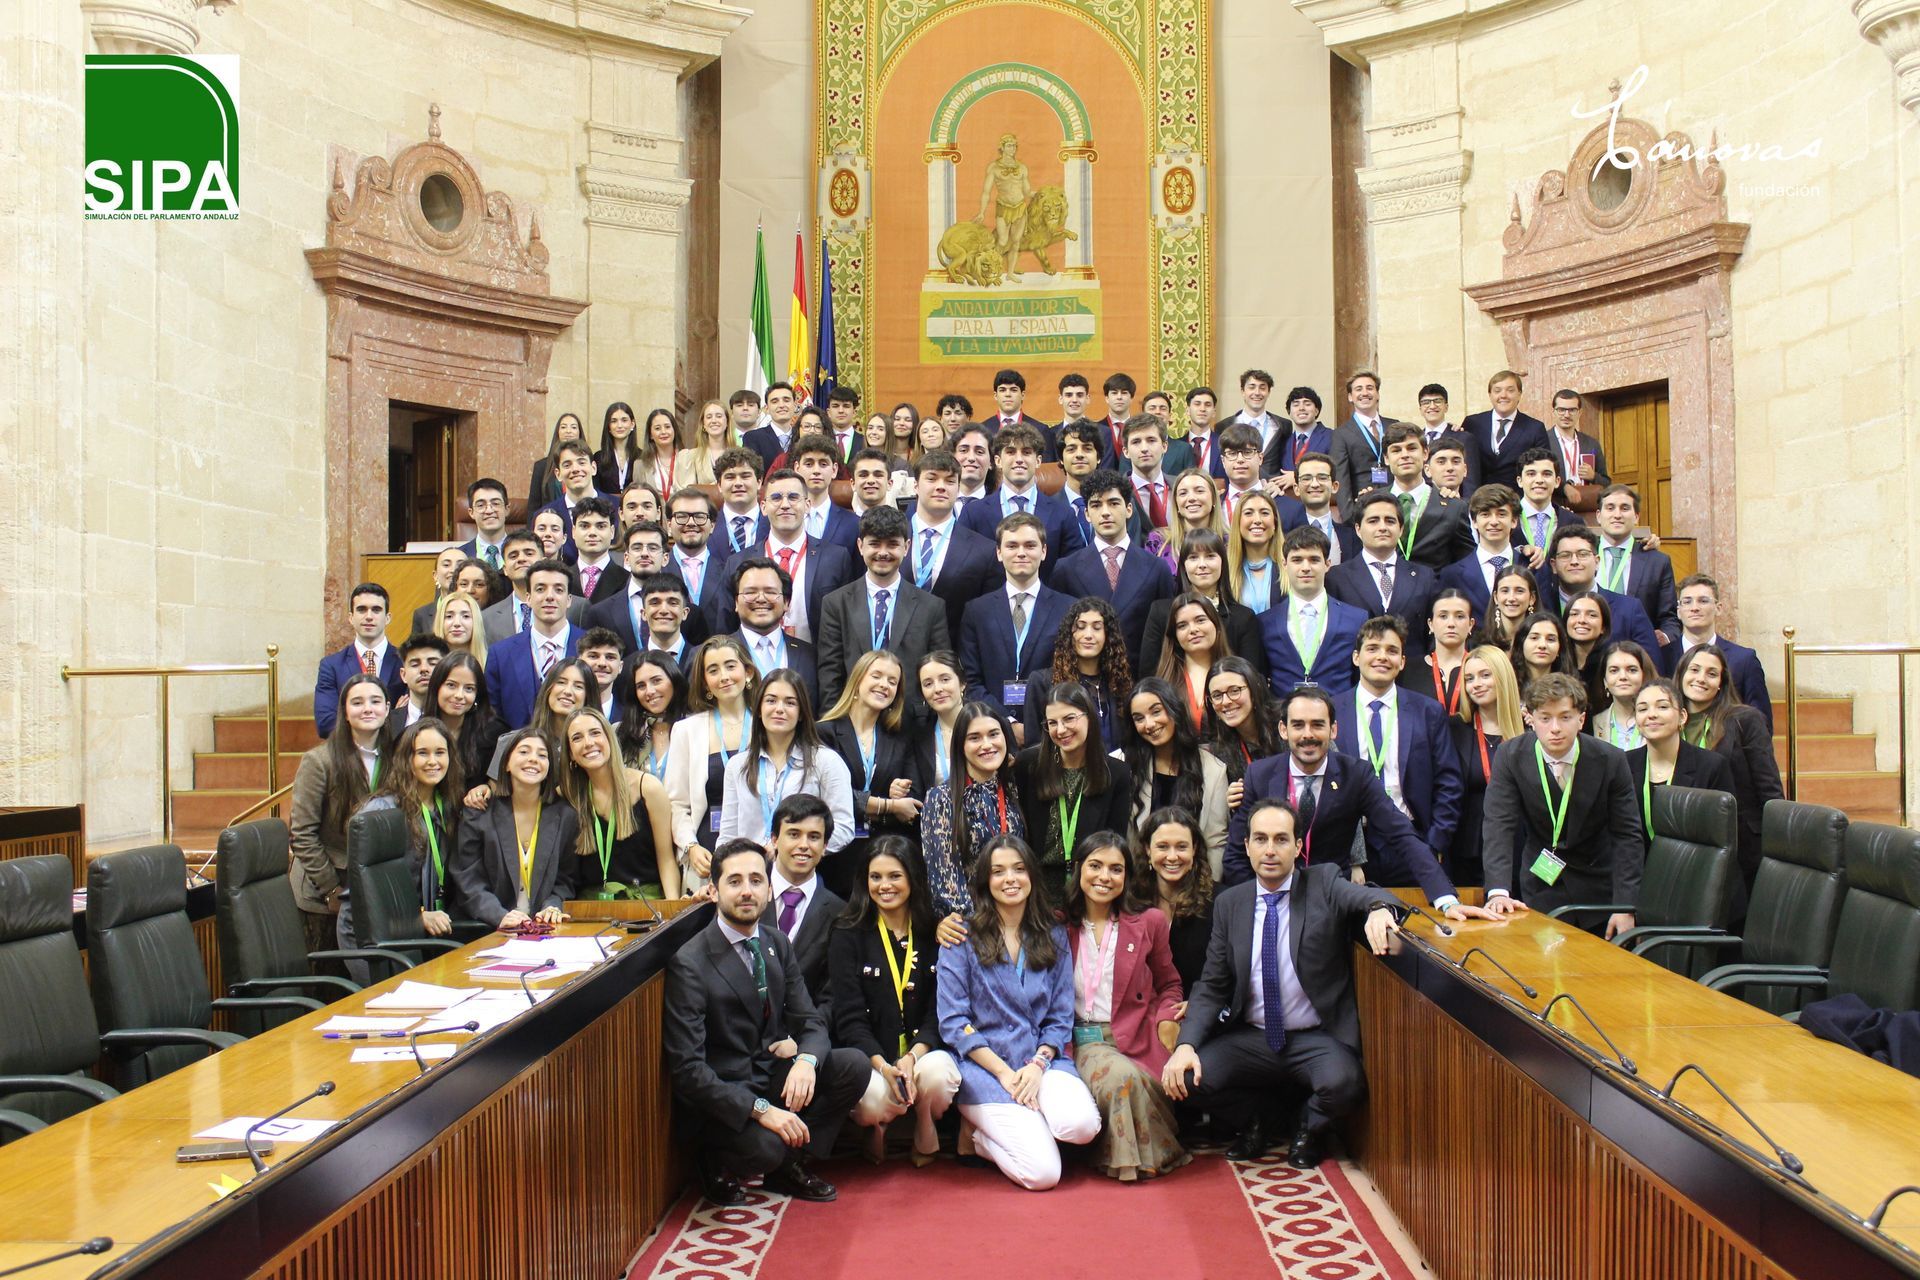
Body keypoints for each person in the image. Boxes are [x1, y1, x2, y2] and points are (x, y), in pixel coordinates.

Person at [1162, 797, 1405, 1167]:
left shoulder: (1323, 883)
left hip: (1314, 1037)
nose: (1270, 850)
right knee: (1186, 1078)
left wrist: (1379, 909)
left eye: (1280, 839)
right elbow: (1212, 985)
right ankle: (1258, 1119)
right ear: (1247, 846)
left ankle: (1307, 1126)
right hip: (1252, 1037)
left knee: (1345, 1084)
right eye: (1260, 839)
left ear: (1298, 846)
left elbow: (1374, 895)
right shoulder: (1231, 903)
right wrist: (1186, 1045)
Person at [662, 839, 870, 1206]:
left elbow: (810, 1021)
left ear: (769, 889)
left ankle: (790, 1164)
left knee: (853, 1065)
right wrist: (761, 1110)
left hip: (768, 1071)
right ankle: (714, 1158)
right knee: (767, 1148)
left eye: (756, 880)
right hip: (724, 1096)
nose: (747, 891)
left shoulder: (776, 942)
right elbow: (689, 1071)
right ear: (714, 890)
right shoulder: (690, 963)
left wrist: (806, 1061)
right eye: (735, 881)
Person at [936, 836, 1100, 1190]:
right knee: (1043, 1175)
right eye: (998, 872)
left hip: (1041, 1063)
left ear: (1032, 876)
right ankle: (976, 1138)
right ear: (985, 881)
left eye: (1019, 869)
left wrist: (1038, 1066)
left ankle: (1026, 1125)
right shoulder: (960, 936)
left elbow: (1060, 1016)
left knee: (1082, 1126)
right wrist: (1005, 1074)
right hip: (986, 1069)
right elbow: (954, 1023)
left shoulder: (1053, 934)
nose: (1010, 878)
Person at [1226, 688, 1480, 916]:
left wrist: (1445, 899)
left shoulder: (1356, 775)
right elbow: (1236, 854)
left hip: (1330, 903)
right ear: (1284, 730)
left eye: (1318, 725)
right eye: (1298, 725)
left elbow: (1401, 833)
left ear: (1333, 729)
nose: (1308, 734)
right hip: (1269, 901)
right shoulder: (1259, 775)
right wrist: (1262, 903)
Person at [830, 838, 963, 1166]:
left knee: (940, 1076)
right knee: (871, 1102)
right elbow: (849, 1017)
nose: (884, 886)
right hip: (874, 1058)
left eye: (895, 876)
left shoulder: (934, 931)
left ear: (913, 878)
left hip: (921, 1053)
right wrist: (884, 1065)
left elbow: (939, 1010)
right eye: (875, 877)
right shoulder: (847, 932)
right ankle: (878, 1125)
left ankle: (924, 1125)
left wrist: (913, 1057)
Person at [1063, 833, 1188, 1181]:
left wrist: (1167, 1019)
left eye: (1116, 869)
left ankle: (1139, 1154)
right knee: (1121, 1078)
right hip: (1081, 1040)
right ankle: (1130, 1162)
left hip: (1137, 1036)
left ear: (1127, 876)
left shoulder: (1148, 922)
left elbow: (1170, 984)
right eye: (1095, 866)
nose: (1105, 876)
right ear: (1079, 869)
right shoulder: (1059, 925)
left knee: (1145, 1077)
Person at [1481, 673, 1642, 935]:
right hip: (1540, 883)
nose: (1555, 728)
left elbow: (1627, 835)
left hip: (1598, 887)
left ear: (1581, 719)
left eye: (1565, 717)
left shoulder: (1610, 760)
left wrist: (1625, 907)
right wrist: (1498, 891)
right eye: (1545, 718)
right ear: (1530, 719)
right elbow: (1499, 824)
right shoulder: (1510, 756)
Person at [1334, 615, 1465, 872]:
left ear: (1402, 662)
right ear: (1356, 657)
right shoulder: (1332, 711)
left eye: (1392, 651)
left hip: (1414, 840)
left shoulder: (1427, 712)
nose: (1382, 657)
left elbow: (1449, 782)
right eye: (1373, 648)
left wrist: (1434, 844)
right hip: (1351, 846)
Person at [818, 505, 952, 713]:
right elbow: (830, 671)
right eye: (874, 544)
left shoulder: (931, 607)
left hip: (910, 720)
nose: (883, 552)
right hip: (853, 717)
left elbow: (938, 670)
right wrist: (834, 723)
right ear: (860, 546)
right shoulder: (836, 603)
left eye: (892, 545)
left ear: (906, 547)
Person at [1674, 644, 1784, 897]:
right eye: (1694, 670)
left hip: (1742, 843)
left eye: (1712, 674)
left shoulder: (1745, 719)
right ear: (1681, 674)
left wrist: (1778, 843)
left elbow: (1768, 786)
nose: (1701, 678)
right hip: (1690, 838)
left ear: (1721, 684)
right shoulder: (1669, 722)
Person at [290, 675, 389, 954]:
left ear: (387, 709)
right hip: (324, 894)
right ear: (344, 712)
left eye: (375, 701)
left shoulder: (396, 758)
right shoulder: (319, 761)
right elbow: (302, 834)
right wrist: (331, 889)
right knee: (330, 977)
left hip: (372, 890)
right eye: (357, 702)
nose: (367, 708)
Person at [1013, 680, 1134, 901]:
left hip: (1089, 889)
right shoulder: (1028, 765)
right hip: (1035, 890)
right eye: (1052, 723)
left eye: (1069, 719)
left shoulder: (1117, 773)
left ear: (1089, 717)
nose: (1060, 730)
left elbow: (1114, 844)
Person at [449, 727, 577, 930]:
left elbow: (566, 878)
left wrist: (552, 906)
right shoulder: (479, 812)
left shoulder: (565, 816)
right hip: (487, 929)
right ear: (506, 763)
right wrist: (499, 916)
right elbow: (468, 880)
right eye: (524, 751)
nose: (533, 759)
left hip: (543, 929)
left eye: (542, 755)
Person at [718, 668, 854, 856]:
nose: (779, 709)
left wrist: (792, 848)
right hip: (749, 870)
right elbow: (728, 835)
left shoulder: (826, 761)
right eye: (771, 700)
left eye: (790, 702)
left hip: (802, 867)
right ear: (759, 709)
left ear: (801, 713)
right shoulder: (738, 765)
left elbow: (844, 827)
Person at [1050, 469, 1178, 665]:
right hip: (1086, 675)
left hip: (1141, 676)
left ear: (1129, 509)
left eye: (1113, 503)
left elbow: (1165, 635)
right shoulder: (1066, 569)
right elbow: (1062, 636)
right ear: (1087, 514)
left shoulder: (1157, 568)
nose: (1105, 512)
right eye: (1096, 505)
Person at [359, 717, 465, 948]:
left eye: (440, 752)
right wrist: (417, 916)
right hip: (376, 939)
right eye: (423, 753)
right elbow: (366, 890)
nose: (433, 761)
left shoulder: (448, 806)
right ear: (406, 759)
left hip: (423, 933)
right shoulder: (382, 810)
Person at [959, 512, 1072, 728]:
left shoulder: (1068, 608)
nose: (1021, 553)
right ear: (999, 553)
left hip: (1051, 727)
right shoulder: (976, 611)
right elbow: (972, 681)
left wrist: (1037, 725)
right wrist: (1007, 723)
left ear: (1044, 551)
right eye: (1012, 546)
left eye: (1030, 545)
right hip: (993, 728)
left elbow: (1070, 675)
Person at [667, 636, 757, 893]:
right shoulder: (687, 730)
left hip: (759, 852)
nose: (724, 676)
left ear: (748, 672)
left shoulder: (767, 724)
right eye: (713, 670)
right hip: (705, 858)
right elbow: (676, 804)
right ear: (705, 682)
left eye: (730, 666)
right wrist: (690, 847)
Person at [922, 701, 1027, 916]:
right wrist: (976, 924)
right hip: (971, 923)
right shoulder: (941, 799)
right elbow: (945, 880)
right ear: (960, 745)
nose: (987, 744)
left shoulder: (1015, 788)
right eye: (975, 738)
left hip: (1018, 914)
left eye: (993, 734)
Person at [560, 706, 677, 899]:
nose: (588, 743)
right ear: (571, 753)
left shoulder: (647, 788)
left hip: (645, 904)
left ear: (609, 739)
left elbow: (666, 861)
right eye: (577, 738)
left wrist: (674, 911)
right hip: (588, 909)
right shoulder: (567, 795)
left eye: (595, 733)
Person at [1122, 679, 1230, 879]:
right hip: (1136, 883)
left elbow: (1215, 843)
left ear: (1174, 710)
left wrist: (1207, 891)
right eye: (1139, 718)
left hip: (1193, 884)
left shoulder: (1213, 770)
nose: (1149, 724)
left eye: (1156, 712)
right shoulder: (1123, 765)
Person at [819, 648, 921, 857]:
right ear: (857, 680)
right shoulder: (824, 733)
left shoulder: (900, 737)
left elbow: (912, 803)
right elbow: (827, 796)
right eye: (876, 676)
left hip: (886, 851)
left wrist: (900, 791)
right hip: (836, 853)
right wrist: (889, 805)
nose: (884, 685)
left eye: (892, 682)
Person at [1139, 529, 1266, 684]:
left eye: (1210, 556)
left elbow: (1252, 679)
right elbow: (1148, 677)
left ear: (1223, 562)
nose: (1202, 565)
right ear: (1183, 565)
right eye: (1193, 557)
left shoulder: (1244, 618)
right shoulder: (1161, 612)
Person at [957, 424, 1086, 576]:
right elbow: (963, 569)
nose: (1019, 459)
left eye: (1026, 452)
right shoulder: (973, 513)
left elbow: (1073, 571)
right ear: (998, 461)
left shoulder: (1063, 514)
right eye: (1011, 452)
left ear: (1038, 461)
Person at [1327, 490, 1442, 659]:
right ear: (1358, 529)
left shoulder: (1424, 577)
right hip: (1356, 670)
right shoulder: (1337, 578)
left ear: (1400, 529)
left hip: (1412, 670)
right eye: (1373, 521)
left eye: (1390, 521)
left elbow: (1433, 632)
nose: (1382, 527)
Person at [903, 448, 1004, 639]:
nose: (941, 487)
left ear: (958, 489)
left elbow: (987, 620)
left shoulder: (984, 551)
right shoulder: (888, 540)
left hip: (952, 652)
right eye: (932, 479)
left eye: (950, 481)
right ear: (915, 486)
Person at [764, 793, 848, 1015]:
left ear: (825, 845)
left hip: (810, 1030)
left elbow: (833, 996)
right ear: (774, 839)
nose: (804, 845)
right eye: (794, 834)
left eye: (814, 837)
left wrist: (809, 1033)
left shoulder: (840, 914)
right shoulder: (745, 898)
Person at [1260, 526, 1367, 698]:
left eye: (1314, 560)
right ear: (1284, 564)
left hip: (1338, 711)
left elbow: (1360, 678)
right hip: (1283, 712)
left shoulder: (1356, 619)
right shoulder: (1265, 622)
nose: (1305, 567)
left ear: (1327, 564)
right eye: (1297, 560)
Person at [1628, 678, 1736, 846]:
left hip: (1694, 860)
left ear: (1682, 716)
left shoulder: (1711, 766)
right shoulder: (1623, 765)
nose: (1651, 714)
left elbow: (1723, 837)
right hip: (1636, 862)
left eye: (1663, 707)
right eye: (1642, 709)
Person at [1449, 645, 1525, 886]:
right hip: (1468, 847)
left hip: (1519, 845)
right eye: (1469, 678)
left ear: (1503, 676)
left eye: (1485, 675)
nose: (1476, 684)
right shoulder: (1454, 729)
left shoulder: (1530, 729)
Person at [1019, 598, 1131, 750]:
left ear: (1108, 635)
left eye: (1097, 628)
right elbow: (1034, 746)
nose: (1088, 635)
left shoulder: (1119, 682)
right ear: (1069, 634)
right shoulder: (1042, 682)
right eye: (1080, 627)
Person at [485, 559, 582, 729]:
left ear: (569, 600)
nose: (549, 596)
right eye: (540, 589)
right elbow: (493, 718)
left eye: (558, 590)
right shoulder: (500, 654)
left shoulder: (589, 649)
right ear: (528, 598)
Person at [1539, 525, 1663, 658]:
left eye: (1583, 554)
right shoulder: (1540, 607)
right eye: (1565, 555)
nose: (1574, 561)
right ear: (1553, 565)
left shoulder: (1629, 610)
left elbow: (1651, 666)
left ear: (1597, 562)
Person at [1675, 574, 1772, 728]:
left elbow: (1761, 723)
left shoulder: (1744, 660)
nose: (1694, 608)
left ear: (1718, 608)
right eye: (1687, 602)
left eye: (1703, 601)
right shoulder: (1661, 656)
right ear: (1679, 611)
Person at [1590, 484, 1679, 650]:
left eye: (1625, 508)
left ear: (1636, 517)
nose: (1617, 515)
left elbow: (1670, 618)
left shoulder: (1657, 562)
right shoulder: (1582, 555)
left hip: (1638, 652)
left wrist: (1665, 636)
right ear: (1599, 516)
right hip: (1589, 650)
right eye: (1610, 508)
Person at [1139, 808, 1216, 998]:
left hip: (1199, 1007)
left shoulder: (1219, 902)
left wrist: (1199, 1006)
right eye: (1162, 847)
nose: (1172, 856)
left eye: (1181, 847)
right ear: (1147, 849)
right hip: (1144, 1010)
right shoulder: (1132, 900)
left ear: (1194, 848)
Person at [727, 556, 821, 707]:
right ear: (736, 602)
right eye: (750, 592)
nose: (761, 599)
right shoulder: (714, 655)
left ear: (786, 603)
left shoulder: (811, 656)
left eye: (770, 592)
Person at [1379, 423, 1475, 570]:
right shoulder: (1372, 503)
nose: (1405, 455)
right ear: (1386, 458)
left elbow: (1467, 565)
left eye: (1411, 448)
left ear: (1425, 453)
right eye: (1396, 450)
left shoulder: (1453, 507)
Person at [314, 582, 403, 736]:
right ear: (351, 617)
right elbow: (325, 724)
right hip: (348, 750)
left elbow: (412, 718)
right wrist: (392, 717)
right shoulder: (331, 666)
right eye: (362, 609)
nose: (369, 616)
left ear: (387, 618)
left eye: (376, 610)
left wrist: (353, 718)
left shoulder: (405, 662)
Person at [482, 530, 587, 644]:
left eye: (529, 553)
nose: (521, 559)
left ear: (543, 561)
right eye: (513, 556)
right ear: (505, 569)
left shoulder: (578, 608)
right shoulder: (488, 617)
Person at [1440, 483, 1532, 611]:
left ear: (1514, 521)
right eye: (1485, 514)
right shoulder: (1452, 575)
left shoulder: (1532, 566)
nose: (1494, 522)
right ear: (1474, 522)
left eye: (1501, 514)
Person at [1203, 656, 1284, 797]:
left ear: (1254, 690)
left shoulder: (1287, 725)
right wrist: (1230, 803)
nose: (1225, 701)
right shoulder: (1218, 751)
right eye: (1217, 695)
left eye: (1234, 691)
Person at [1153, 593, 1235, 731]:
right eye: (1182, 625)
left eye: (1200, 620)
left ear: (1216, 625)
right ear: (1175, 636)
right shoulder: (1163, 683)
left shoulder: (1239, 674)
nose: (1193, 630)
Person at [424, 652, 505, 790]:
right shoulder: (418, 732)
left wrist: (486, 789)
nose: (459, 695)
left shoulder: (494, 734)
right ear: (436, 687)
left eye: (469, 689)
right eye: (451, 685)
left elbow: (499, 785)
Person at [1461, 370, 1548, 493]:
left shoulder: (1535, 428)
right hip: (1478, 497)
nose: (1503, 395)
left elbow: (1544, 466)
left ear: (1519, 394)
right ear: (1490, 395)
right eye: (1497, 391)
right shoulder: (1472, 423)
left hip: (1517, 498)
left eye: (1510, 390)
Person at [1326, 370, 1398, 518]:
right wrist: (1349, 516)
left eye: (1370, 388)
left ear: (1377, 394)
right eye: (1358, 389)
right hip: (1362, 506)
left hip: (1396, 501)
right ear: (1350, 397)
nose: (1365, 393)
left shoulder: (1394, 426)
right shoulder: (1341, 434)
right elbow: (1341, 476)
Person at [614, 649, 685, 781]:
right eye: (641, 686)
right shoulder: (619, 732)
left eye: (656, 681)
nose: (649, 691)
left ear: (674, 680)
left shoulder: (696, 727)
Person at [663, 488, 724, 635]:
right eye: (682, 516)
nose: (691, 523)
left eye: (699, 516)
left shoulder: (728, 571)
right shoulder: (657, 570)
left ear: (712, 526)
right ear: (669, 525)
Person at [788, 433, 862, 555]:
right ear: (797, 468)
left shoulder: (853, 524)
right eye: (809, 464)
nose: (816, 471)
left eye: (823, 464)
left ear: (834, 470)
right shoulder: (782, 517)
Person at [1283, 452, 1361, 565]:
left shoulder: (1352, 536)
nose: (1315, 484)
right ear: (1296, 489)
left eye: (1322, 478)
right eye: (1306, 478)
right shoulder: (1284, 534)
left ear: (1334, 486)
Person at [1406, 587, 1475, 714]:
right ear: (1430, 624)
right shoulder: (1408, 670)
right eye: (1443, 616)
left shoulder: (1482, 668)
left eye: (1460, 616)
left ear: (1470, 624)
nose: (1451, 624)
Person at [1512, 448, 1585, 559]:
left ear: (1557, 481)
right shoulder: (1505, 519)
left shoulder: (1573, 522)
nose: (1539, 480)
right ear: (1520, 481)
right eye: (1531, 474)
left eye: (1546, 474)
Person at [1119, 414, 1193, 523]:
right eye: (1136, 442)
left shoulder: (1181, 487)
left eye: (1151, 440)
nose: (1144, 448)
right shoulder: (1117, 491)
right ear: (1126, 451)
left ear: (1164, 446)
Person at [1590, 640, 1656, 751]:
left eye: (1632, 670)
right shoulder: (1594, 723)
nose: (1623, 677)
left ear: (1644, 676)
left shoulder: (1658, 719)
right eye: (1614, 670)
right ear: (1605, 681)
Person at [1226, 490, 1284, 615]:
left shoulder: (1290, 567)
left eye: (1264, 513)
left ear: (1275, 523)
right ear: (1238, 522)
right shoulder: (1224, 569)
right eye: (1248, 513)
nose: (1257, 520)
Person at [1259, 385, 1330, 487]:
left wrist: (1297, 476)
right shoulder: (1283, 441)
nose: (1301, 408)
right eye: (1296, 405)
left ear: (1316, 410)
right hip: (1286, 496)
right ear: (1289, 412)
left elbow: (1335, 471)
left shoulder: (1332, 437)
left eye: (1307, 404)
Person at [707, 448, 768, 561]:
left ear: (759, 482)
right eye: (730, 477)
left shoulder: (774, 524)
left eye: (745, 476)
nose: (738, 483)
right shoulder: (706, 526)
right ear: (719, 485)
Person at [1544, 387, 1609, 488]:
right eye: (1561, 410)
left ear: (1580, 412)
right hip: (1556, 497)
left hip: (1585, 496)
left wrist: (1593, 476)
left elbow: (1607, 483)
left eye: (1572, 410)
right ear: (1553, 412)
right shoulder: (1543, 441)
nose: (1567, 415)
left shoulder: (1592, 444)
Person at [527, 412, 584, 517]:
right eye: (563, 427)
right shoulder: (541, 466)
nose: (568, 431)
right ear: (557, 432)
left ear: (579, 433)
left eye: (573, 427)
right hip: (551, 521)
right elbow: (533, 506)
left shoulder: (587, 465)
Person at [1562, 591, 1613, 709]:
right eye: (1574, 614)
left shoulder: (1611, 663)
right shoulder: (1556, 662)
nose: (1582, 620)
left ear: (1603, 627)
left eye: (1592, 615)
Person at [388, 632, 448, 731]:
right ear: (403, 675)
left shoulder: (458, 720)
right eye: (415, 664)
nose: (424, 669)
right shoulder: (386, 723)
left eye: (432, 663)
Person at [740, 381, 800, 470]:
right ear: (767, 408)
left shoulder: (802, 436)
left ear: (795, 405)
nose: (781, 405)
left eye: (786, 400)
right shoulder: (753, 438)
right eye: (775, 401)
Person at [676, 398, 736, 487]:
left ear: (727, 422)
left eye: (719, 416)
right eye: (709, 417)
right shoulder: (691, 457)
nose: (714, 421)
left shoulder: (739, 456)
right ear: (703, 424)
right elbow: (687, 491)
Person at [1480, 565, 1542, 650]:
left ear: (1532, 598)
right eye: (1505, 591)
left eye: (1519, 591)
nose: (1511, 598)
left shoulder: (1541, 644)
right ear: (1495, 597)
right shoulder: (1478, 644)